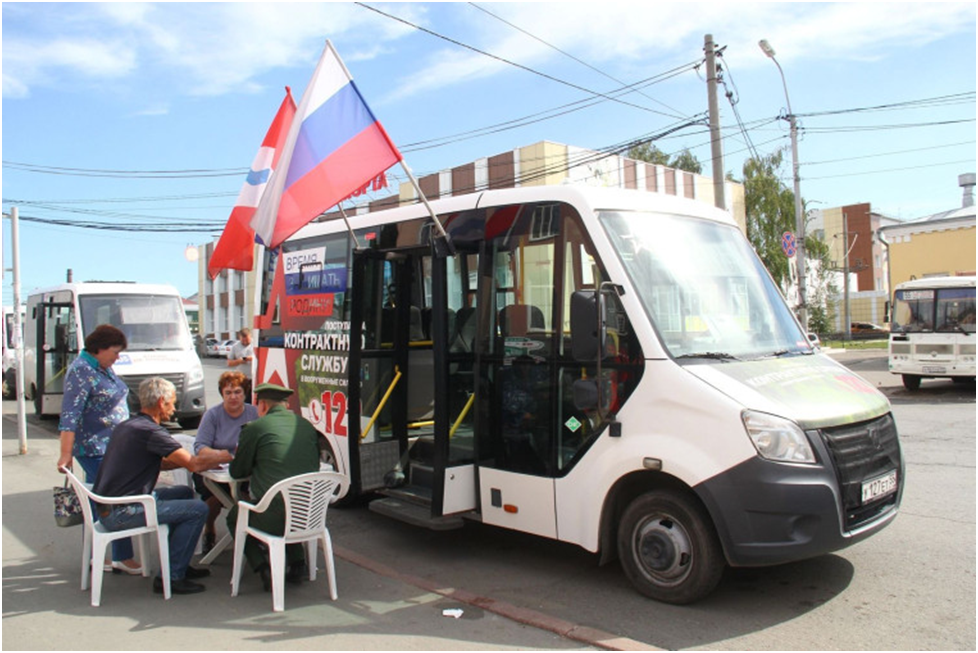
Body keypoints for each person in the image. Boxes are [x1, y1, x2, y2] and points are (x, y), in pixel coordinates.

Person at [92, 377, 233, 595]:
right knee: (198, 509)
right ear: (160, 402)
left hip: (108, 507)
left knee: (184, 493)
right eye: (172, 403)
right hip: (123, 512)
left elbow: (161, 463)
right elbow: (194, 464)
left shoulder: (128, 425)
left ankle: (178, 562)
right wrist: (229, 455)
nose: (174, 409)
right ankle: (172, 576)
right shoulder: (151, 432)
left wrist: (196, 461)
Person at [57, 324, 140, 574]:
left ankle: (102, 555)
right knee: (110, 499)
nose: (118, 357)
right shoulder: (81, 371)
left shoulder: (101, 367)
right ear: (100, 349)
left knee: (104, 499)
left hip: (111, 446)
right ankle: (117, 555)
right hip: (94, 447)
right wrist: (65, 453)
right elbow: (70, 415)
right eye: (115, 352)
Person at [227, 382, 320, 591]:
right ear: (286, 404)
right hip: (310, 514)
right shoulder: (306, 426)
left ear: (262, 405)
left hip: (274, 518)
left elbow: (237, 472)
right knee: (289, 501)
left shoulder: (255, 428)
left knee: (235, 516)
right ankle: (298, 563)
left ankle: (262, 567)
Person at [193, 371, 258, 553]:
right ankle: (209, 529)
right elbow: (200, 447)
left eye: (237, 392)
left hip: (244, 470)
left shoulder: (254, 413)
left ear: (245, 393)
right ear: (222, 394)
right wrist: (221, 455)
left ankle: (251, 534)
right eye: (228, 393)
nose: (233, 397)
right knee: (216, 497)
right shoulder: (212, 415)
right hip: (214, 470)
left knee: (251, 497)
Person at [227, 328, 254, 403]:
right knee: (243, 398)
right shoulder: (235, 347)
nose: (245, 342)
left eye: (247, 340)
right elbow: (229, 363)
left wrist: (251, 359)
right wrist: (239, 361)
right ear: (239, 338)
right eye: (243, 340)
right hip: (241, 378)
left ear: (250, 336)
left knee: (253, 399)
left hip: (254, 377)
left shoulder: (255, 344)